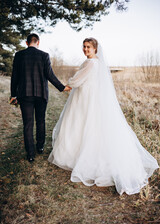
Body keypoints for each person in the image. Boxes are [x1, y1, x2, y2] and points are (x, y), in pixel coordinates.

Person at [48, 38, 159, 195]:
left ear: (95, 49)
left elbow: (77, 80)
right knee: (87, 125)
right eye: (84, 47)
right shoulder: (97, 63)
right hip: (90, 97)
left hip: (85, 98)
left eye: (88, 47)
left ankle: (77, 155)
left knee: (80, 124)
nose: (85, 49)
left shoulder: (91, 63)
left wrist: (68, 84)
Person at [10, 33, 71, 162]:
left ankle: (30, 154)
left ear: (27, 43)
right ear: (38, 42)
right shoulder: (44, 55)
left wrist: (13, 94)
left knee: (28, 124)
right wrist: (61, 87)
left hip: (24, 94)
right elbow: (50, 75)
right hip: (41, 94)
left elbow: (14, 76)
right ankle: (40, 147)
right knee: (41, 120)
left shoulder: (19, 55)